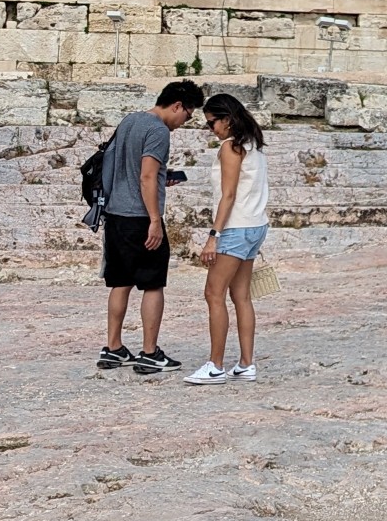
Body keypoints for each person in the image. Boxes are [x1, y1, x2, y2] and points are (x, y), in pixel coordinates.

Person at [96, 79, 204, 374]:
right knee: (153, 283)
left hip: (115, 214)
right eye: (188, 115)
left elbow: (124, 166)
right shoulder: (158, 130)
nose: (185, 121)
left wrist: (161, 177)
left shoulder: (130, 121)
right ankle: (149, 352)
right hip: (140, 218)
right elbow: (145, 177)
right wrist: (155, 220)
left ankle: (113, 348)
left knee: (120, 282)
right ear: (177, 106)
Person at [189, 93, 270, 382]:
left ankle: (215, 365)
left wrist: (213, 236)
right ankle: (246, 363)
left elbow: (229, 195)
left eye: (212, 123)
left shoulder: (230, 148)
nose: (211, 128)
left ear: (227, 119)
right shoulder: (254, 145)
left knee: (213, 293)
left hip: (235, 228)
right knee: (242, 296)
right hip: (256, 225)